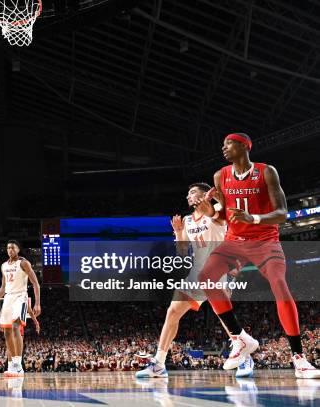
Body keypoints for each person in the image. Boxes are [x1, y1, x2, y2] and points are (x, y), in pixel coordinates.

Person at [196, 133, 319, 379]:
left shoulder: (266, 172)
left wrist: (254, 218)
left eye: (228, 143)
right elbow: (224, 217)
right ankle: (240, 338)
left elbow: (282, 213)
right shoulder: (220, 175)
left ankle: (299, 358)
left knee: (280, 285)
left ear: (244, 146)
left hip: (265, 240)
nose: (223, 148)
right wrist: (210, 209)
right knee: (205, 278)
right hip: (234, 241)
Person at [136, 183, 254, 378]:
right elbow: (182, 252)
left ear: (204, 193)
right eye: (188, 193)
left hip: (218, 270)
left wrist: (216, 199)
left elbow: (229, 213)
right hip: (195, 274)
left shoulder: (217, 210)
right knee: (172, 312)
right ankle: (158, 364)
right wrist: (178, 232)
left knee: (224, 317)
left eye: (192, 192)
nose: (188, 196)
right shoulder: (188, 219)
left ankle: (244, 357)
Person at [0, 240, 41, 377]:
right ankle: (11, 365)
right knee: (6, 331)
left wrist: (37, 303)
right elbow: (3, 287)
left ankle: (18, 364)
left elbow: (35, 283)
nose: (10, 250)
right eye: (8, 248)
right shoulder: (4, 265)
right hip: (8, 298)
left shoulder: (23, 263)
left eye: (12, 247)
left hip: (20, 297)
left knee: (15, 326)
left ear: (18, 249)